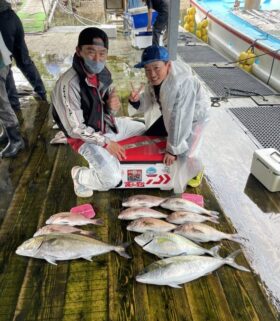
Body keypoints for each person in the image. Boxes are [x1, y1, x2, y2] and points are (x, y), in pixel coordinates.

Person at [52, 27, 145, 197]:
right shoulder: (68, 84)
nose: (97, 58)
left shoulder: (103, 72)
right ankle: (79, 175)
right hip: (86, 139)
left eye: (102, 53)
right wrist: (107, 143)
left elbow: (110, 96)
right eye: (91, 52)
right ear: (79, 51)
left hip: (107, 128)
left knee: (143, 129)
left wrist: (112, 104)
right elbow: (76, 129)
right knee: (111, 180)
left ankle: (108, 159)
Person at [128, 45, 210, 193]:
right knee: (151, 135)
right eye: (147, 69)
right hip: (173, 115)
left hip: (194, 117)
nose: (152, 74)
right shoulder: (155, 81)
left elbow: (179, 120)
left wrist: (172, 150)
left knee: (184, 154)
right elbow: (148, 102)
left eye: (156, 68)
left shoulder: (181, 83)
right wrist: (135, 100)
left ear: (168, 65)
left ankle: (197, 169)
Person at [0, 0, 47, 111]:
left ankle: (14, 105)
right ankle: (41, 92)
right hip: (12, 18)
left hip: (1, 24)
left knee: (4, 64)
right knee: (24, 60)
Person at [0, 31, 25, 158]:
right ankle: (7, 133)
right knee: (6, 97)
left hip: (1, 60)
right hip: (3, 56)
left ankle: (16, 140)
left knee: (2, 104)